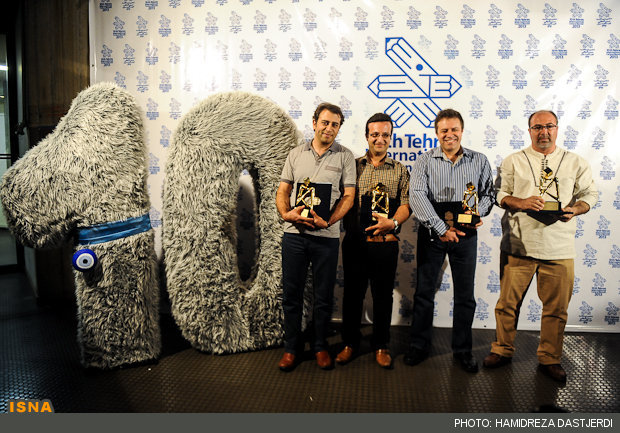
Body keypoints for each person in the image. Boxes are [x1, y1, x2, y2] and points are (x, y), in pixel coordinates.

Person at [482, 110, 598, 383]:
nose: (543, 132)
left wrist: (576, 209)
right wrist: (521, 202)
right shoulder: (514, 160)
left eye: (549, 126)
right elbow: (498, 194)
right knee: (507, 305)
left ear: (557, 129)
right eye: (537, 127)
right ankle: (502, 350)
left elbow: (590, 194)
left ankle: (549, 358)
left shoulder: (575, 162)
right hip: (518, 246)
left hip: (559, 248)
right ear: (529, 130)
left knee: (556, 309)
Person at [404, 108, 494, 373]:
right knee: (424, 292)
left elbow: (489, 194)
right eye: (444, 130)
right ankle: (419, 346)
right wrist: (442, 228)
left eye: (454, 129)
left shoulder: (479, 160)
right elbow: (417, 196)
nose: (449, 134)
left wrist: (477, 213)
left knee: (465, 295)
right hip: (433, 230)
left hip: (466, 233)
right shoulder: (424, 161)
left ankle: (463, 351)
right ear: (437, 133)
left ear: (462, 131)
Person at [275, 102, 356, 372]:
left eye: (335, 124)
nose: (329, 128)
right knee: (292, 295)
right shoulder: (295, 154)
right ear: (314, 123)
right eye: (325, 122)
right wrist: (286, 214)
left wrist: (329, 221)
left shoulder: (345, 156)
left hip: (326, 237)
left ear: (339, 128)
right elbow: (283, 190)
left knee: (323, 296)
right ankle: (291, 348)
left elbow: (349, 196)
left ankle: (320, 346)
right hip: (294, 236)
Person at [335, 113, 411, 369]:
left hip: (385, 243)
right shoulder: (352, 166)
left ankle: (381, 345)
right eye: (375, 134)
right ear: (367, 136)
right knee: (352, 295)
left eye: (385, 135)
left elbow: (406, 204)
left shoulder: (400, 169)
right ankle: (349, 343)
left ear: (391, 137)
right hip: (355, 242)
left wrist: (394, 222)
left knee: (383, 297)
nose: (380, 139)